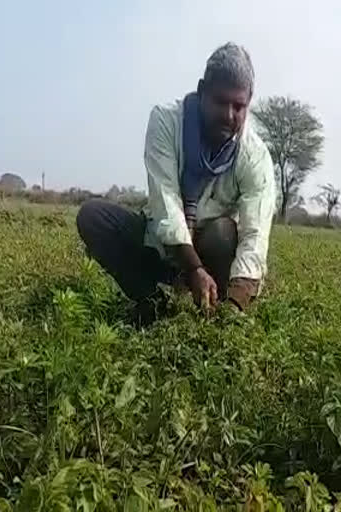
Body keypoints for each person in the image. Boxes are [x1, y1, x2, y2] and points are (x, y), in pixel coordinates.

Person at [76, 42, 275, 324]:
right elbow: (165, 201)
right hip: (161, 244)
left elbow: (256, 233)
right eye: (221, 102)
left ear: (249, 101)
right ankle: (153, 305)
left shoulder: (254, 154)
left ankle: (213, 309)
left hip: (212, 251)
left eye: (239, 106)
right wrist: (192, 268)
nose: (229, 115)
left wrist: (236, 303)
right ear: (202, 90)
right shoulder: (167, 122)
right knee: (93, 217)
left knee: (223, 232)